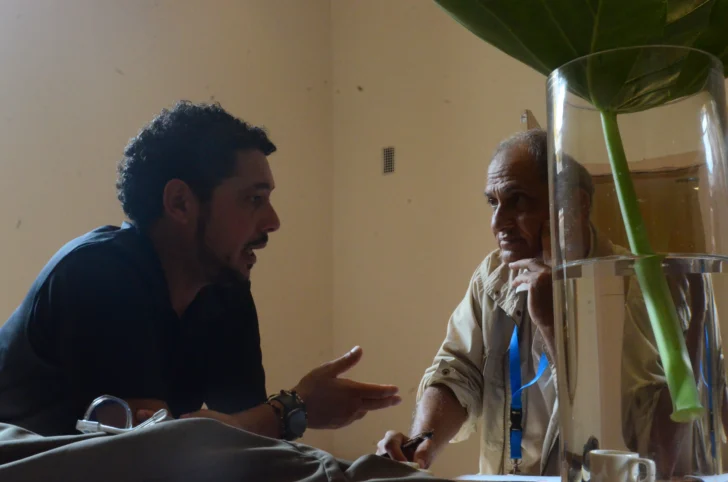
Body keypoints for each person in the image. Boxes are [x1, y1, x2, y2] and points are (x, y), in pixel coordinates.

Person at [0, 101, 401, 440]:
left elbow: (245, 444)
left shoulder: (223, 289)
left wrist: (279, 416)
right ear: (180, 203)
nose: (273, 221)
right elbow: (150, 454)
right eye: (254, 199)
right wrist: (295, 409)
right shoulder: (98, 275)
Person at [376, 128, 726, 477]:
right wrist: (422, 442)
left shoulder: (640, 288)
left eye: (518, 201)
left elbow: (631, 436)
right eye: (493, 203)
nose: (498, 222)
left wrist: (551, 324)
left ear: (573, 205)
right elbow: (458, 371)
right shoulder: (494, 275)